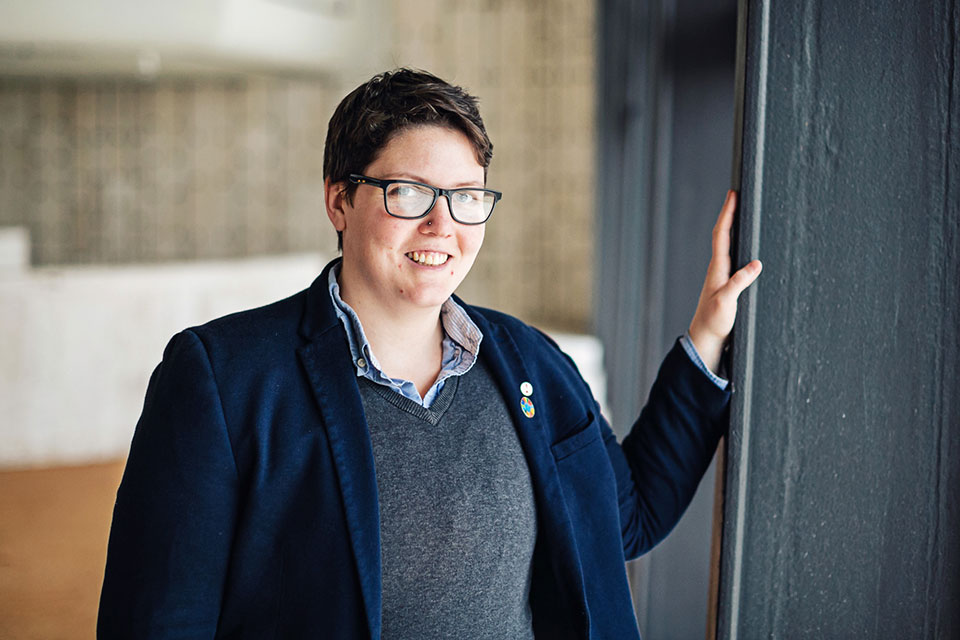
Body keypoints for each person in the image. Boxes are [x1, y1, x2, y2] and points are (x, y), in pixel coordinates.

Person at [98, 68, 761, 639]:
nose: (443, 226)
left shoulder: (533, 362)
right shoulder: (222, 378)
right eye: (410, 193)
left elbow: (624, 521)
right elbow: (160, 622)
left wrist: (706, 334)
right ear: (339, 198)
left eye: (467, 198)